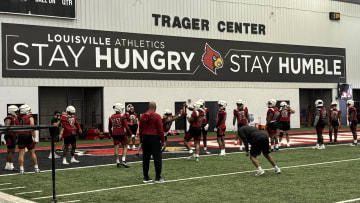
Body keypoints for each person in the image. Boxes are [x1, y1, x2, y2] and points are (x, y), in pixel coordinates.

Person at [139, 101, 165, 183]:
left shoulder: (143, 116)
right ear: (155, 107)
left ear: (148, 107)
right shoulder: (157, 116)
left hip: (145, 138)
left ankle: (146, 177)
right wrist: (163, 140)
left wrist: (141, 141)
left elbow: (140, 129)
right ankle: (158, 178)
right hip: (154, 138)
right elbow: (160, 130)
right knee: (157, 158)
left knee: (146, 159)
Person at [17, 104, 40, 174]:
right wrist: (35, 137)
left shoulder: (18, 118)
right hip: (27, 136)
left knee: (21, 153)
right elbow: (32, 127)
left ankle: (21, 170)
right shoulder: (30, 117)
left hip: (20, 136)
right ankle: (36, 168)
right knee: (32, 153)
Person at [109, 103, 132, 168]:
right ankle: (123, 161)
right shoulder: (122, 116)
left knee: (116, 148)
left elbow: (109, 127)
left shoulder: (111, 116)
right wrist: (131, 133)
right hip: (121, 133)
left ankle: (117, 162)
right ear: (119, 108)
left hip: (114, 133)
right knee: (125, 146)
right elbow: (126, 126)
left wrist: (111, 134)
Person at [4, 105, 19, 171]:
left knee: (9, 151)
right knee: (11, 151)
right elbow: (7, 127)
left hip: (11, 135)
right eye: (15, 111)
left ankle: (7, 165)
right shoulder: (9, 118)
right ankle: (11, 166)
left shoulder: (12, 117)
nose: (17, 112)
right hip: (10, 135)